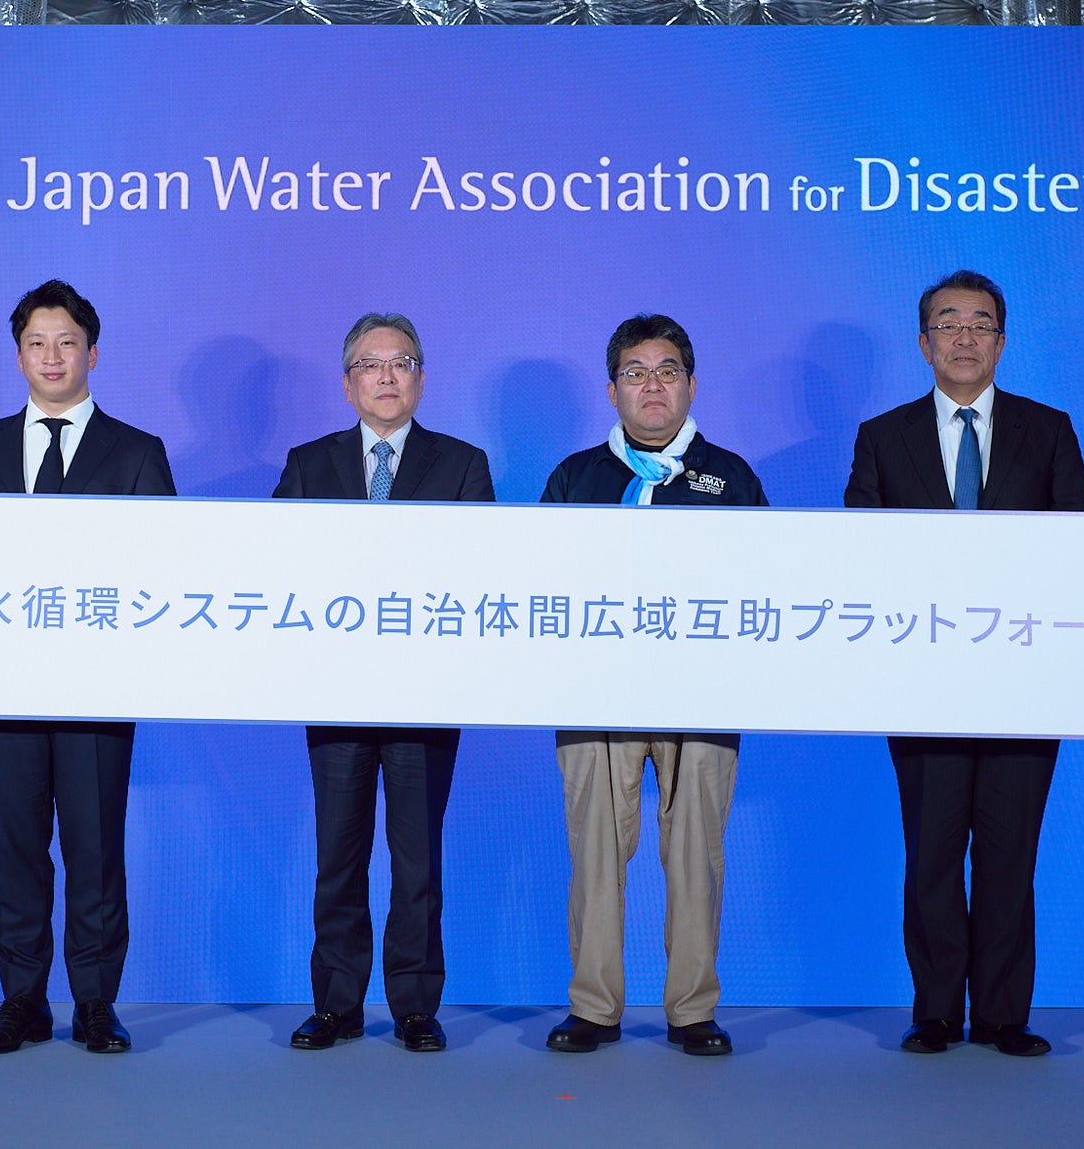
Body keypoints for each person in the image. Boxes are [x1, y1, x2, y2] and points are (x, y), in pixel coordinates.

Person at [844, 269, 1084, 1059]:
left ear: (1001, 343)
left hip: (1026, 679)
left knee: (1011, 854)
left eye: (980, 324)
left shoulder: (1048, 430)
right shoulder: (883, 437)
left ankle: (1005, 1016)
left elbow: (1083, 548)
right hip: (923, 683)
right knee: (934, 853)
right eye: (948, 323)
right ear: (924, 344)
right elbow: (856, 550)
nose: (964, 337)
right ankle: (937, 1012)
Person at [0, 279, 176, 1054]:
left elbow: (167, 572)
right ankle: (22, 1002)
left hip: (99, 691)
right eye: (36, 344)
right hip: (3, 688)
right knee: (15, 847)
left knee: (95, 847)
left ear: (93, 354)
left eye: (67, 343)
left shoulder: (138, 453)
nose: (52, 357)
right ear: (18, 357)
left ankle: (95, 1004)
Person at [539, 313, 767, 1057]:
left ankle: (692, 1010)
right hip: (595, 695)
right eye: (635, 373)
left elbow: (765, 586)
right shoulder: (575, 478)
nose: (653, 386)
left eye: (668, 371)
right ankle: (593, 1007)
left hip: (702, 696)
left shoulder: (731, 478)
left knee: (697, 855)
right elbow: (541, 585)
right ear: (612, 391)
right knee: (595, 855)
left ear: (692, 386)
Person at [274, 313, 494, 1052]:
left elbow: (478, 572)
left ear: (421, 380)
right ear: (348, 385)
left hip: (424, 695)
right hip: (335, 693)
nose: (387, 376)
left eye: (402, 363)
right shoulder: (308, 465)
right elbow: (277, 566)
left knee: (416, 858)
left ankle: (415, 1006)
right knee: (338, 856)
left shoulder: (462, 464)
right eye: (371, 364)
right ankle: (336, 1004)